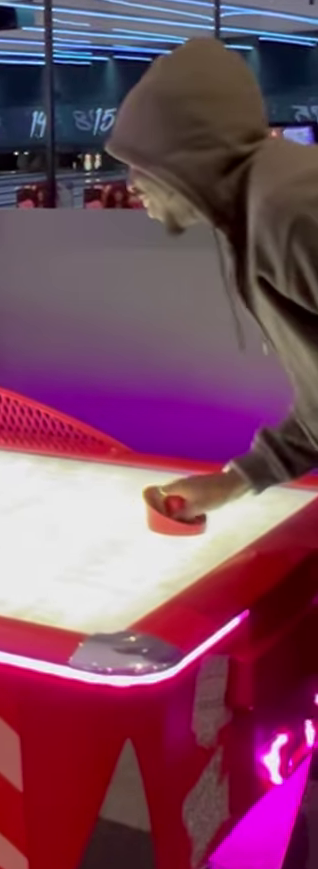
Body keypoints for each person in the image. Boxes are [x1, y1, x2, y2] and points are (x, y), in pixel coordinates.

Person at [106, 37, 318, 520]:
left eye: (141, 162)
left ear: (184, 158)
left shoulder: (288, 210)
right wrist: (237, 480)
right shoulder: (258, 211)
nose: (131, 185)